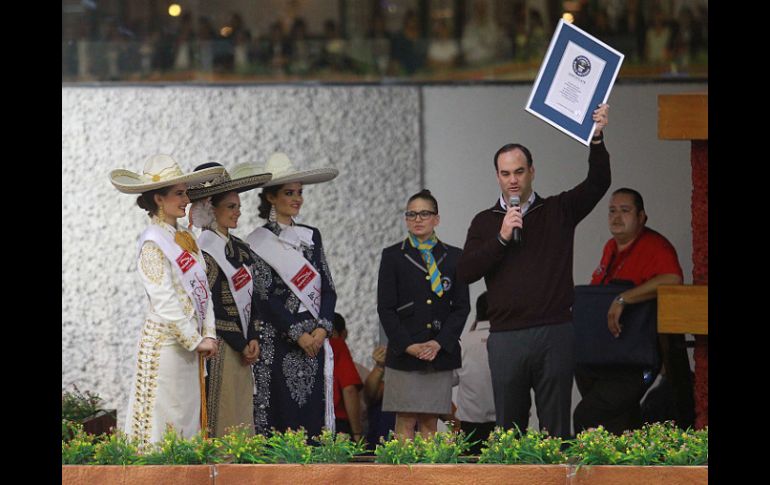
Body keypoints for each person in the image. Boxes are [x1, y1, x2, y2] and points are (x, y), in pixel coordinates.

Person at [456, 104, 611, 439]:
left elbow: (599, 183)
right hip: (506, 336)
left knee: (555, 429)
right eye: (506, 173)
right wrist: (501, 237)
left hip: (554, 332)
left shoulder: (558, 209)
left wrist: (596, 138)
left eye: (519, 172)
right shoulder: (485, 222)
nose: (513, 180)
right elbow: (465, 271)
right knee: (508, 432)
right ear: (497, 176)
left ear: (532, 172)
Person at [109, 154, 224, 448]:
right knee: (165, 420)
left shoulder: (185, 237)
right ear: (159, 199)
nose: (186, 199)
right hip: (167, 346)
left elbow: (203, 290)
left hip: (192, 345)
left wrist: (209, 333)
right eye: (179, 193)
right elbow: (164, 299)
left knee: (188, 421)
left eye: (185, 192)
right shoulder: (152, 241)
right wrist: (195, 339)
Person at [573, 187, 688, 434]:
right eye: (612, 211)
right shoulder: (610, 247)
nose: (616, 217)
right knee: (621, 423)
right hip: (606, 356)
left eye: (625, 211)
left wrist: (624, 298)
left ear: (642, 216)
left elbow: (672, 279)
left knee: (587, 415)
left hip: (634, 360)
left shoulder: (655, 246)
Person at [242, 152, 339, 437]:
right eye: (289, 192)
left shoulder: (312, 235)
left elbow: (327, 289)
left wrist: (322, 329)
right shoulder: (258, 241)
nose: (296, 198)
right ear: (271, 197)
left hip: (314, 341)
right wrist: (298, 333)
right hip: (278, 341)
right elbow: (263, 297)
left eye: (299, 192)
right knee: (280, 413)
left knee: (311, 414)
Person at [186, 163, 272, 437]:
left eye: (238, 205)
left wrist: (254, 335)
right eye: (231, 207)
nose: (239, 211)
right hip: (222, 345)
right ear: (211, 210)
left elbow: (254, 296)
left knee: (242, 413)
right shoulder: (203, 252)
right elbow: (208, 306)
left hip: (245, 344)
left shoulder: (241, 248)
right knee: (223, 412)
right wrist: (241, 341)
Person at [377, 189, 471, 439]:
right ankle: (402, 478)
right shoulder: (393, 255)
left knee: (430, 422)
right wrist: (408, 345)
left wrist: (439, 343)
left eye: (424, 214)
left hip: (438, 353)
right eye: (412, 214)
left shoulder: (454, 256)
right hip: (404, 352)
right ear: (406, 219)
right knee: (405, 421)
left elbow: (462, 307)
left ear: (436, 219)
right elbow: (385, 308)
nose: (418, 219)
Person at [453, 292, 496, 453]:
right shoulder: (507, 342)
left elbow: (451, 379)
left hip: (469, 426)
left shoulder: (464, 342)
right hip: (504, 424)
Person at [330, 313, 364, 440]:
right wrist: (357, 433)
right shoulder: (337, 346)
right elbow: (349, 389)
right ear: (344, 333)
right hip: (336, 424)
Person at [362, 344, 396, 449]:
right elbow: (369, 395)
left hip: (413, 452)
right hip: (378, 449)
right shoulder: (385, 386)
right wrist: (380, 366)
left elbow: (446, 413)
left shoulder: (422, 389)